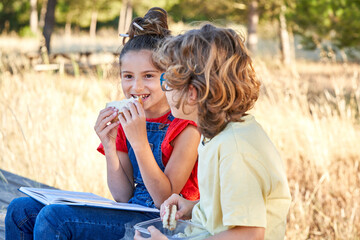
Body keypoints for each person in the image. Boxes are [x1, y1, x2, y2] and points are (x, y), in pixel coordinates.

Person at [5, 7, 200, 240]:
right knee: (20, 210)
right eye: (128, 76)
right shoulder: (127, 119)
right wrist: (109, 145)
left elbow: (163, 199)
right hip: (129, 212)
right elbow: (122, 195)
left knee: (54, 218)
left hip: (162, 223)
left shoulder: (185, 127)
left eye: (148, 76)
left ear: (169, 77)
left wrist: (139, 142)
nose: (136, 87)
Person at [134, 23, 291, 240]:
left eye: (168, 82)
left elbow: (249, 234)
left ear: (192, 93)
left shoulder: (236, 149)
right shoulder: (216, 135)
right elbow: (229, 205)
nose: (164, 89)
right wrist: (192, 207)